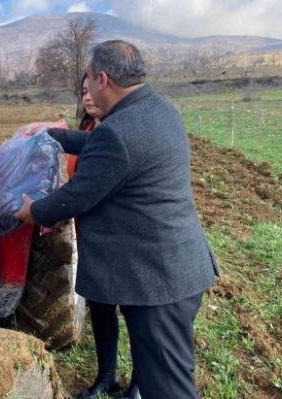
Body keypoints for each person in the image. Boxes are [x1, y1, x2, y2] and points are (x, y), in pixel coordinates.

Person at [14, 40, 219, 399]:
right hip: (177, 268)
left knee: (169, 388)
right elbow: (102, 148)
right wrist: (51, 135)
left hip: (157, 282)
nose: (88, 89)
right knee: (163, 371)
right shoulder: (157, 108)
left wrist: (34, 211)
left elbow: (76, 197)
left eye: (89, 80)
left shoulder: (117, 132)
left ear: (103, 79)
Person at [72, 74, 141, 399]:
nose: (87, 97)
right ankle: (107, 376)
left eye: (91, 90)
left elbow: (81, 190)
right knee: (100, 306)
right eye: (82, 92)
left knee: (136, 311)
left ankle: (139, 384)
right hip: (94, 236)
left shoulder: (123, 128)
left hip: (125, 240)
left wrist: (40, 210)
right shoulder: (89, 129)